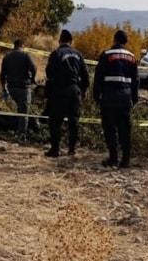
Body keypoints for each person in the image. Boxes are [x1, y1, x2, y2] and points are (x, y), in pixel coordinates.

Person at [93, 30, 139, 168]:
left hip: (109, 96)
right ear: (126, 42)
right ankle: (126, 160)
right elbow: (136, 81)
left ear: (114, 40)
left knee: (109, 127)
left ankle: (113, 158)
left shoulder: (106, 55)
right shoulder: (132, 57)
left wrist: (96, 96)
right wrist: (134, 99)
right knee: (125, 128)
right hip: (125, 96)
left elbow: (98, 78)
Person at [44, 29, 90, 158]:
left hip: (60, 90)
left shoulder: (56, 53)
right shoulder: (78, 54)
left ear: (60, 41)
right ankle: (72, 149)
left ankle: (55, 149)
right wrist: (83, 90)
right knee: (73, 121)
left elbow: (49, 73)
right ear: (71, 41)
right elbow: (85, 76)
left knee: (55, 121)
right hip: (75, 90)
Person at [0, 39, 38, 135]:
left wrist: (4, 88)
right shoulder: (26, 55)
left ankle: (19, 129)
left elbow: (2, 74)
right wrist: (33, 79)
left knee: (20, 109)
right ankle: (22, 134)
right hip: (24, 88)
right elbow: (34, 68)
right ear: (22, 46)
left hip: (11, 88)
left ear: (14, 46)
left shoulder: (7, 57)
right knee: (24, 112)